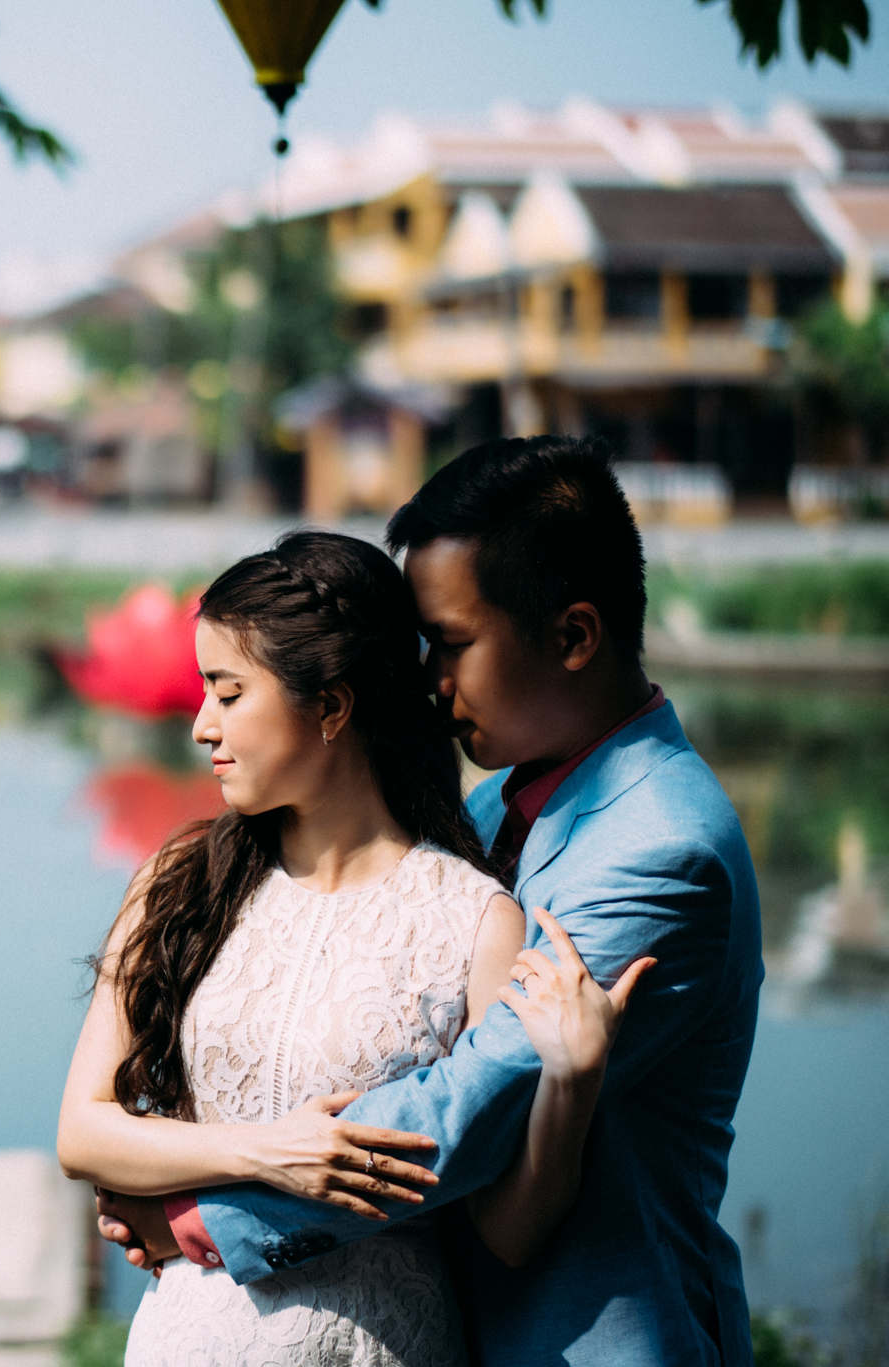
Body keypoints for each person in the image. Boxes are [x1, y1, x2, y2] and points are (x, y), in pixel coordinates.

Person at [93, 437, 762, 1367]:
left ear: (573, 636)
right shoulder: (492, 806)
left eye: (449, 646)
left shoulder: (661, 848)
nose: (429, 684)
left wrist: (202, 1214)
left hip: (589, 1337)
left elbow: (466, 1101)